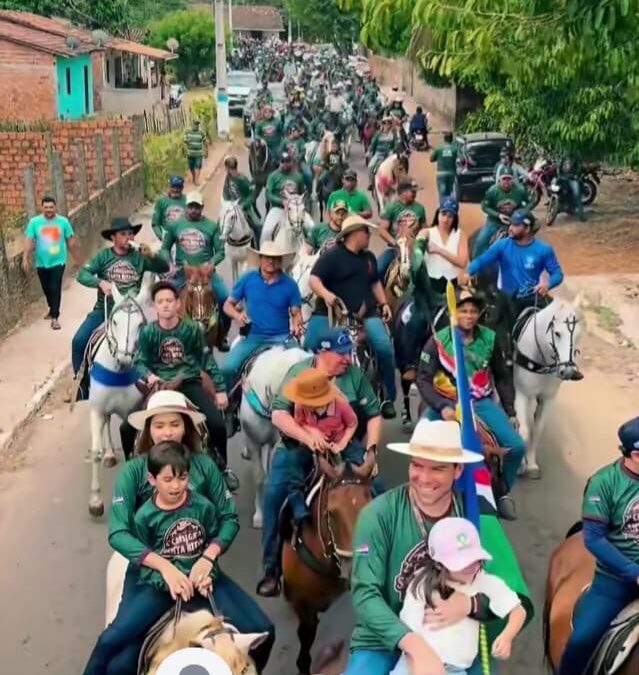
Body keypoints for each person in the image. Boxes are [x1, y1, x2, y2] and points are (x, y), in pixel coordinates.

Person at [97, 391, 275, 674]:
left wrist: (208, 557)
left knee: (263, 630)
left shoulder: (204, 466)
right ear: (148, 429)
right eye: (159, 425)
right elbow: (118, 532)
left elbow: (228, 518)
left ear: (186, 427)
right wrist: (164, 567)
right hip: (151, 578)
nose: (167, 432)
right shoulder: (133, 471)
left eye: (174, 424)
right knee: (116, 656)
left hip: (201, 572)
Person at [344, 418, 533, 675]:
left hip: (455, 637)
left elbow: (508, 587)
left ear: (458, 471)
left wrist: (470, 606)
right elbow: (365, 594)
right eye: (417, 465)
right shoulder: (377, 516)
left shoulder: (476, 515)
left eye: (437, 469)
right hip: (382, 639)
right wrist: (416, 647)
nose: (424, 478)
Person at [258, 328, 384, 596]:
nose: (347, 359)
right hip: (298, 446)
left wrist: (371, 451)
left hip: (344, 445)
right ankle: (272, 569)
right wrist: (307, 436)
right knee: (273, 496)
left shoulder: (354, 376)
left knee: (380, 490)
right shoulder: (299, 373)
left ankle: (382, 559)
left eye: (348, 353)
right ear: (322, 352)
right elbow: (279, 415)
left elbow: (373, 414)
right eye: (340, 354)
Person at [83, 441, 223, 675]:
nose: (176, 486)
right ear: (152, 479)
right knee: (112, 644)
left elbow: (209, 549)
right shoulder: (144, 517)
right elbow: (144, 564)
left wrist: (208, 575)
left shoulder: (205, 508)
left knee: (249, 634)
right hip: (159, 588)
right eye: (168, 479)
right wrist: (168, 581)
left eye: (182, 478)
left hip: (198, 589)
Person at [416, 288, 524, 520]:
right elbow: (423, 380)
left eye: (473, 311)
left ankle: (502, 492)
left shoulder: (490, 339)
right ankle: (418, 493)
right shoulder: (437, 341)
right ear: (454, 313)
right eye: (463, 310)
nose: (469, 315)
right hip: (446, 402)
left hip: (479, 401)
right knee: (418, 442)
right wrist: (442, 406)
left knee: (517, 447)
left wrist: (510, 411)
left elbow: (502, 376)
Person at [391, 517, 526, 675]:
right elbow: (409, 628)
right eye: (462, 562)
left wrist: (507, 637)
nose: (471, 567)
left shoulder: (483, 581)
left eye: (475, 560)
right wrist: (416, 663)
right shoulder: (422, 584)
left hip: (455, 670)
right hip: (417, 663)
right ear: (439, 564)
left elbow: (518, 611)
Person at [558, 416, 639, 675]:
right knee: (581, 641)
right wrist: (634, 572)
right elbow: (593, 538)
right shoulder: (604, 483)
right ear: (635, 455)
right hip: (615, 581)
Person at [306, 215, 397, 420]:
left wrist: (384, 303)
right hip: (331, 313)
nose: (369, 235)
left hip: (367, 313)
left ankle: (387, 396)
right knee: (309, 344)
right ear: (354, 233)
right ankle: (307, 393)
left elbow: (375, 283)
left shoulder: (369, 258)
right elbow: (313, 279)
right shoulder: (332, 255)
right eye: (366, 231)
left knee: (384, 346)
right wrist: (327, 295)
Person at [134, 281, 228, 466]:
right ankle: (134, 468)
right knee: (127, 428)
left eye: (169, 300)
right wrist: (149, 376)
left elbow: (207, 359)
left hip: (189, 383)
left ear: (178, 303)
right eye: (160, 301)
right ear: (154, 306)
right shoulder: (147, 332)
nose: (165, 305)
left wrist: (220, 389)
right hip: (160, 387)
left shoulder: (192, 329)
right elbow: (140, 362)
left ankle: (223, 467)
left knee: (217, 425)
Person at [72, 217, 168, 378]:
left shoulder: (140, 257)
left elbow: (164, 267)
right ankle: (80, 380)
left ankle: (160, 379)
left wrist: (152, 256)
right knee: (79, 340)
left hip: (134, 312)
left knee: (159, 340)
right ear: (113, 238)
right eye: (123, 234)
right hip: (106, 309)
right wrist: (99, 282)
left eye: (131, 234)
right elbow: (82, 274)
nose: (128, 237)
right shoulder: (103, 256)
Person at [280, 367, 360, 519]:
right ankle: (297, 501)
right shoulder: (300, 404)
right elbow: (300, 422)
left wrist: (342, 444)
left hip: (339, 442)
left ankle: (372, 501)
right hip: (312, 446)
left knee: (359, 465)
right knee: (294, 462)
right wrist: (312, 432)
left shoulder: (340, 404)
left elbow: (352, 423)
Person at [222, 241, 303, 391]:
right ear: (260, 259)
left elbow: (296, 313)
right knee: (228, 368)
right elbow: (227, 305)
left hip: (282, 338)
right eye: (267, 257)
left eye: (275, 258)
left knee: (304, 368)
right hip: (253, 337)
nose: (271, 261)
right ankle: (228, 402)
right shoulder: (247, 279)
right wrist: (237, 316)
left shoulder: (290, 284)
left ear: (281, 261)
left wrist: (297, 324)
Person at [467, 209, 566, 320]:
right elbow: (481, 261)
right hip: (508, 299)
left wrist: (548, 284)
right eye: (511, 224)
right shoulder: (502, 245)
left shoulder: (544, 249)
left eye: (515, 225)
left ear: (527, 228)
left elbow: (557, 274)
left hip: (534, 296)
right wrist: (468, 272)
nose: (510, 228)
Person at [160, 191, 230, 347]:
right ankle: (163, 336)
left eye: (197, 207)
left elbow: (221, 251)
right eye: (190, 206)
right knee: (164, 299)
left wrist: (211, 263)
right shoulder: (175, 225)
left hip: (206, 275)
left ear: (202, 207)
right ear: (186, 207)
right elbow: (164, 248)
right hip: (183, 273)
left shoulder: (212, 226)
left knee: (225, 297)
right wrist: (170, 264)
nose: (193, 210)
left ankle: (222, 335)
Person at [22, 195, 79, 330]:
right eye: (46, 207)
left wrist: (76, 258)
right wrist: (25, 257)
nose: (49, 210)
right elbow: (29, 240)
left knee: (55, 287)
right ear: (42, 207)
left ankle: (55, 317)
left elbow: (70, 241)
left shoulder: (63, 222)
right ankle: (51, 308)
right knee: (46, 288)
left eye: (51, 207)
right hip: (41, 262)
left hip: (58, 261)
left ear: (55, 207)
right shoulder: (34, 222)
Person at [414, 197, 468, 307]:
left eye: (450, 216)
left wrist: (439, 250)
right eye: (443, 214)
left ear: (454, 218)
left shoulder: (460, 235)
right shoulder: (427, 232)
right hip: (431, 284)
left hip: (451, 284)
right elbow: (418, 245)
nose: (445, 219)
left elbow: (462, 262)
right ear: (437, 214)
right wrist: (418, 250)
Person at [377, 178, 427, 282]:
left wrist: (421, 242)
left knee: (425, 273)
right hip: (395, 248)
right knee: (379, 269)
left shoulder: (420, 208)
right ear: (403, 192)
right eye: (412, 191)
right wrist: (393, 242)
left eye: (415, 191)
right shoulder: (391, 207)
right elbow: (382, 230)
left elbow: (424, 228)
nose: (415, 194)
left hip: (413, 248)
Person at [473, 171, 528, 258]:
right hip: (494, 221)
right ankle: (476, 263)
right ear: (499, 180)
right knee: (481, 241)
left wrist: (521, 213)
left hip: (513, 221)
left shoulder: (520, 190)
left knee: (525, 240)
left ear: (513, 180)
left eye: (509, 179)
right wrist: (498, 215)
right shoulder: (492, 190)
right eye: (504, 179)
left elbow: (529, 202)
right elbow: (484, 207)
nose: (506, 181)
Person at [222, 156, 261, 243]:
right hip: (231, 207)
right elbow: (225, 192)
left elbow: (252, 194)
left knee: (257, 226)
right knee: (221, 223)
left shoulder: (243, 179)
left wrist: (244, 205)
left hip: (243, 207)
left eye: (226, 167)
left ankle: (258, 245)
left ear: (228, 168)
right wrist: (227, 204)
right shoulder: (228, 177)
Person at [367, 116, 401, 190]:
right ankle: (371, 183)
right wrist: (369, 151)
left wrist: (393, 150)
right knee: (370, 166)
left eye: (388, 123)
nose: (387, 125)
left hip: (389, 155)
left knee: (397, 168)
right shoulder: (378, 134)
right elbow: (373, 143)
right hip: (379, 154)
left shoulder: (393, 134)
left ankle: (399, 184)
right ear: (382, 124)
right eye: (385, 123)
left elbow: (396, 144)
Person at [151, 176, 186, 242]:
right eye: (173, 187)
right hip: (167, 238)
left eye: (178, 187)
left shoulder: (188, 201)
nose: (175, 190)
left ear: (182, 188)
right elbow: (155, 224)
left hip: (184, 238)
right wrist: (161, 236)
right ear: (169, 186)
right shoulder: (161, 202)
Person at [430, 132, 459, 200]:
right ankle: (450, 205)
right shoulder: (455, 149)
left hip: (441, 174)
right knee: (451, 192)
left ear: (444, 139)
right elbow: (460, 159)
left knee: (442, 192)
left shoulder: (438, 148)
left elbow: (431, 159)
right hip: (452, 173)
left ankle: (443, 205)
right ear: (451, 139)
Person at [558, 155, 585, 221]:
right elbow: (559, 166)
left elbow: (579, 167)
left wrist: (576, 175)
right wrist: (558, 174)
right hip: (563, 177)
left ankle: (581, 215)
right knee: (555, 188)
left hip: (572, 178)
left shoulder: (576, 157)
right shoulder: (563, 157)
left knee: (577, 195)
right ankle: (559, 205)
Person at [183, 119, 207, 186]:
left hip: (198, 153)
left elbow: (205, 141)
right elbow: (184, 139)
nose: (196, 126)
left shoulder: (201, 132)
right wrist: (187, 141)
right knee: (191, 167)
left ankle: (196, 180)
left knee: (197, 166)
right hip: (190, 153)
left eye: (197, 124)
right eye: (195, 124)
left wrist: (206, 150)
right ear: (192, 124)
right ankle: (194, 177)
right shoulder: (187, 132)